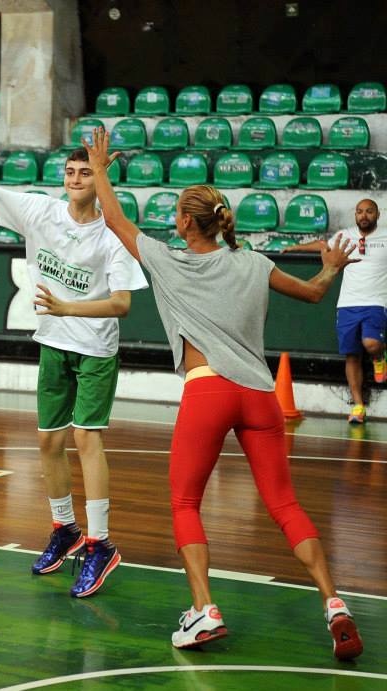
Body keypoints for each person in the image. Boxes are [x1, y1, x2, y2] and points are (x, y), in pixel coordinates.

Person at [83, 126, 364, 660]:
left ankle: (204, 611)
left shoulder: (169, 259)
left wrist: (99, 169)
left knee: (185, 502)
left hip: (209, 390)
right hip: (260, 395)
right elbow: (312, 293)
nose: (173, 220)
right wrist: (330, 267)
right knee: (284, 503)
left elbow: (116, 221)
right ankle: (334, 603)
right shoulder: (254, 263)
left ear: (188, 222)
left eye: (177, 214)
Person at [0, 139, 147, 597]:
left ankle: (100, 543)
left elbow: (121, 303)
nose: (76, 179)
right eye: (71, 172)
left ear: (100, 180)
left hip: (94, 348)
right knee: (48, 442)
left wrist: (67, 309)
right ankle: (65, 529)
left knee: (86, 437)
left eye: (85, 172)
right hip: (54, 343)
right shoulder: (41, 212)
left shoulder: (113, 235)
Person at [282, 199, 387, 424]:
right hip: (347, 304)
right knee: (352, 354)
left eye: (369, 211)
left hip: (376, 301)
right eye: (359, 212)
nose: (364, 216)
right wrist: (295, 247)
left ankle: (380, 355)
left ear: (377, 214)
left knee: (371, 344)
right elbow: (323, 245)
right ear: (355, 215)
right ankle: (358, 406)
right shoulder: (345, 235)